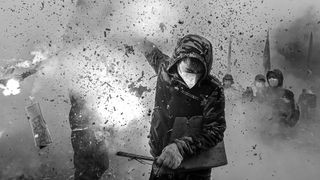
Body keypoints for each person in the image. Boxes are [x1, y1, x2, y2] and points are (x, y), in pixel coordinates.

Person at [138, 34, 226, 180]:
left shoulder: (212, 88)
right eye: (188, 70)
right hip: (162, 159)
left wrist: (180, 148)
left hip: (195, 165)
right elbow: (149, 49)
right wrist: (132, 36)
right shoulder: (164, 68)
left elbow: (215, 131)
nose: (193, 77)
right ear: (178, 61)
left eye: (199, 72)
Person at [69, 92, 109, 180]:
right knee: (86, 170)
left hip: (89, 133)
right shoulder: (79, 108)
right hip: (83, 135)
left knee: (102, 164)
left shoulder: (88, 105)